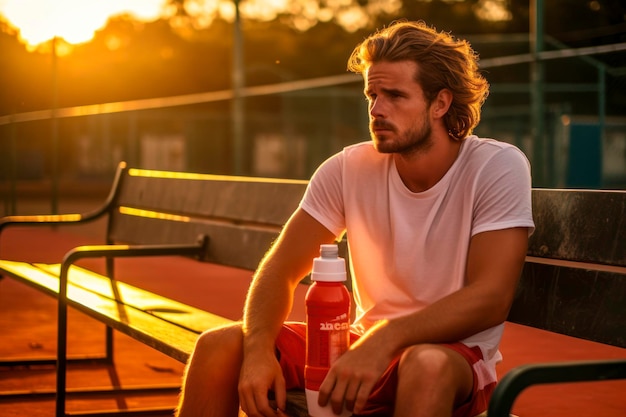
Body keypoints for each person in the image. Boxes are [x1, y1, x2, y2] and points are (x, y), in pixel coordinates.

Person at [176, 20, 534, 417]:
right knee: (218, 347)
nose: (377, 109)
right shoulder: (348, 167)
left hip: (452, 357)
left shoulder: (496, 166)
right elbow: (280, 267)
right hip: (361, 347)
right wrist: (259, 351)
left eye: (395, 95)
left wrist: (385, 339)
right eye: (372, 95)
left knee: (425, 365)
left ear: (441, 103)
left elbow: (491, 298)